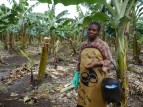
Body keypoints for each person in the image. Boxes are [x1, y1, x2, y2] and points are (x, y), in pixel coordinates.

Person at [72, 22, 113, 107]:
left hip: (97, 79)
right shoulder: (83, 45)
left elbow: (109, 61)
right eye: (89, 29)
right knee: (83, 99)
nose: (91, 31)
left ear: (98, 32)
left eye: (94, 30)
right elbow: (79, 61)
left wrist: (96, 63)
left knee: (96, 100)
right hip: (84, 78)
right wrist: (77, 73)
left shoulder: (102, 45)